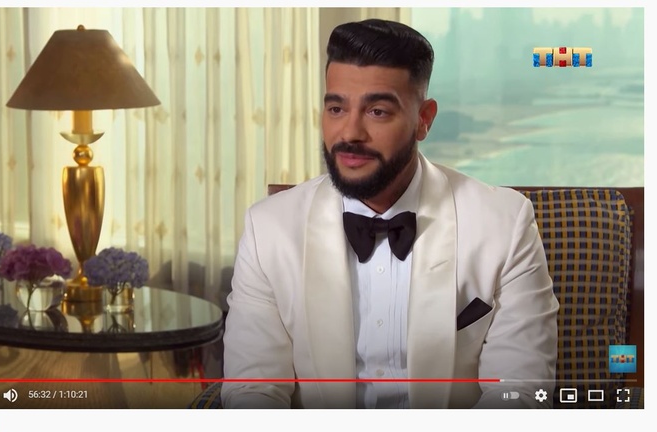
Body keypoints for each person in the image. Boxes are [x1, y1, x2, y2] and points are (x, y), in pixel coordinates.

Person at [221, 18, 559, 409]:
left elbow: (518, 393)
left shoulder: (505, 223)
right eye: (336, 108)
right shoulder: (268, 229)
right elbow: (252, 390)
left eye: (377, 111)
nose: (350, 133)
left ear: (424, 119)